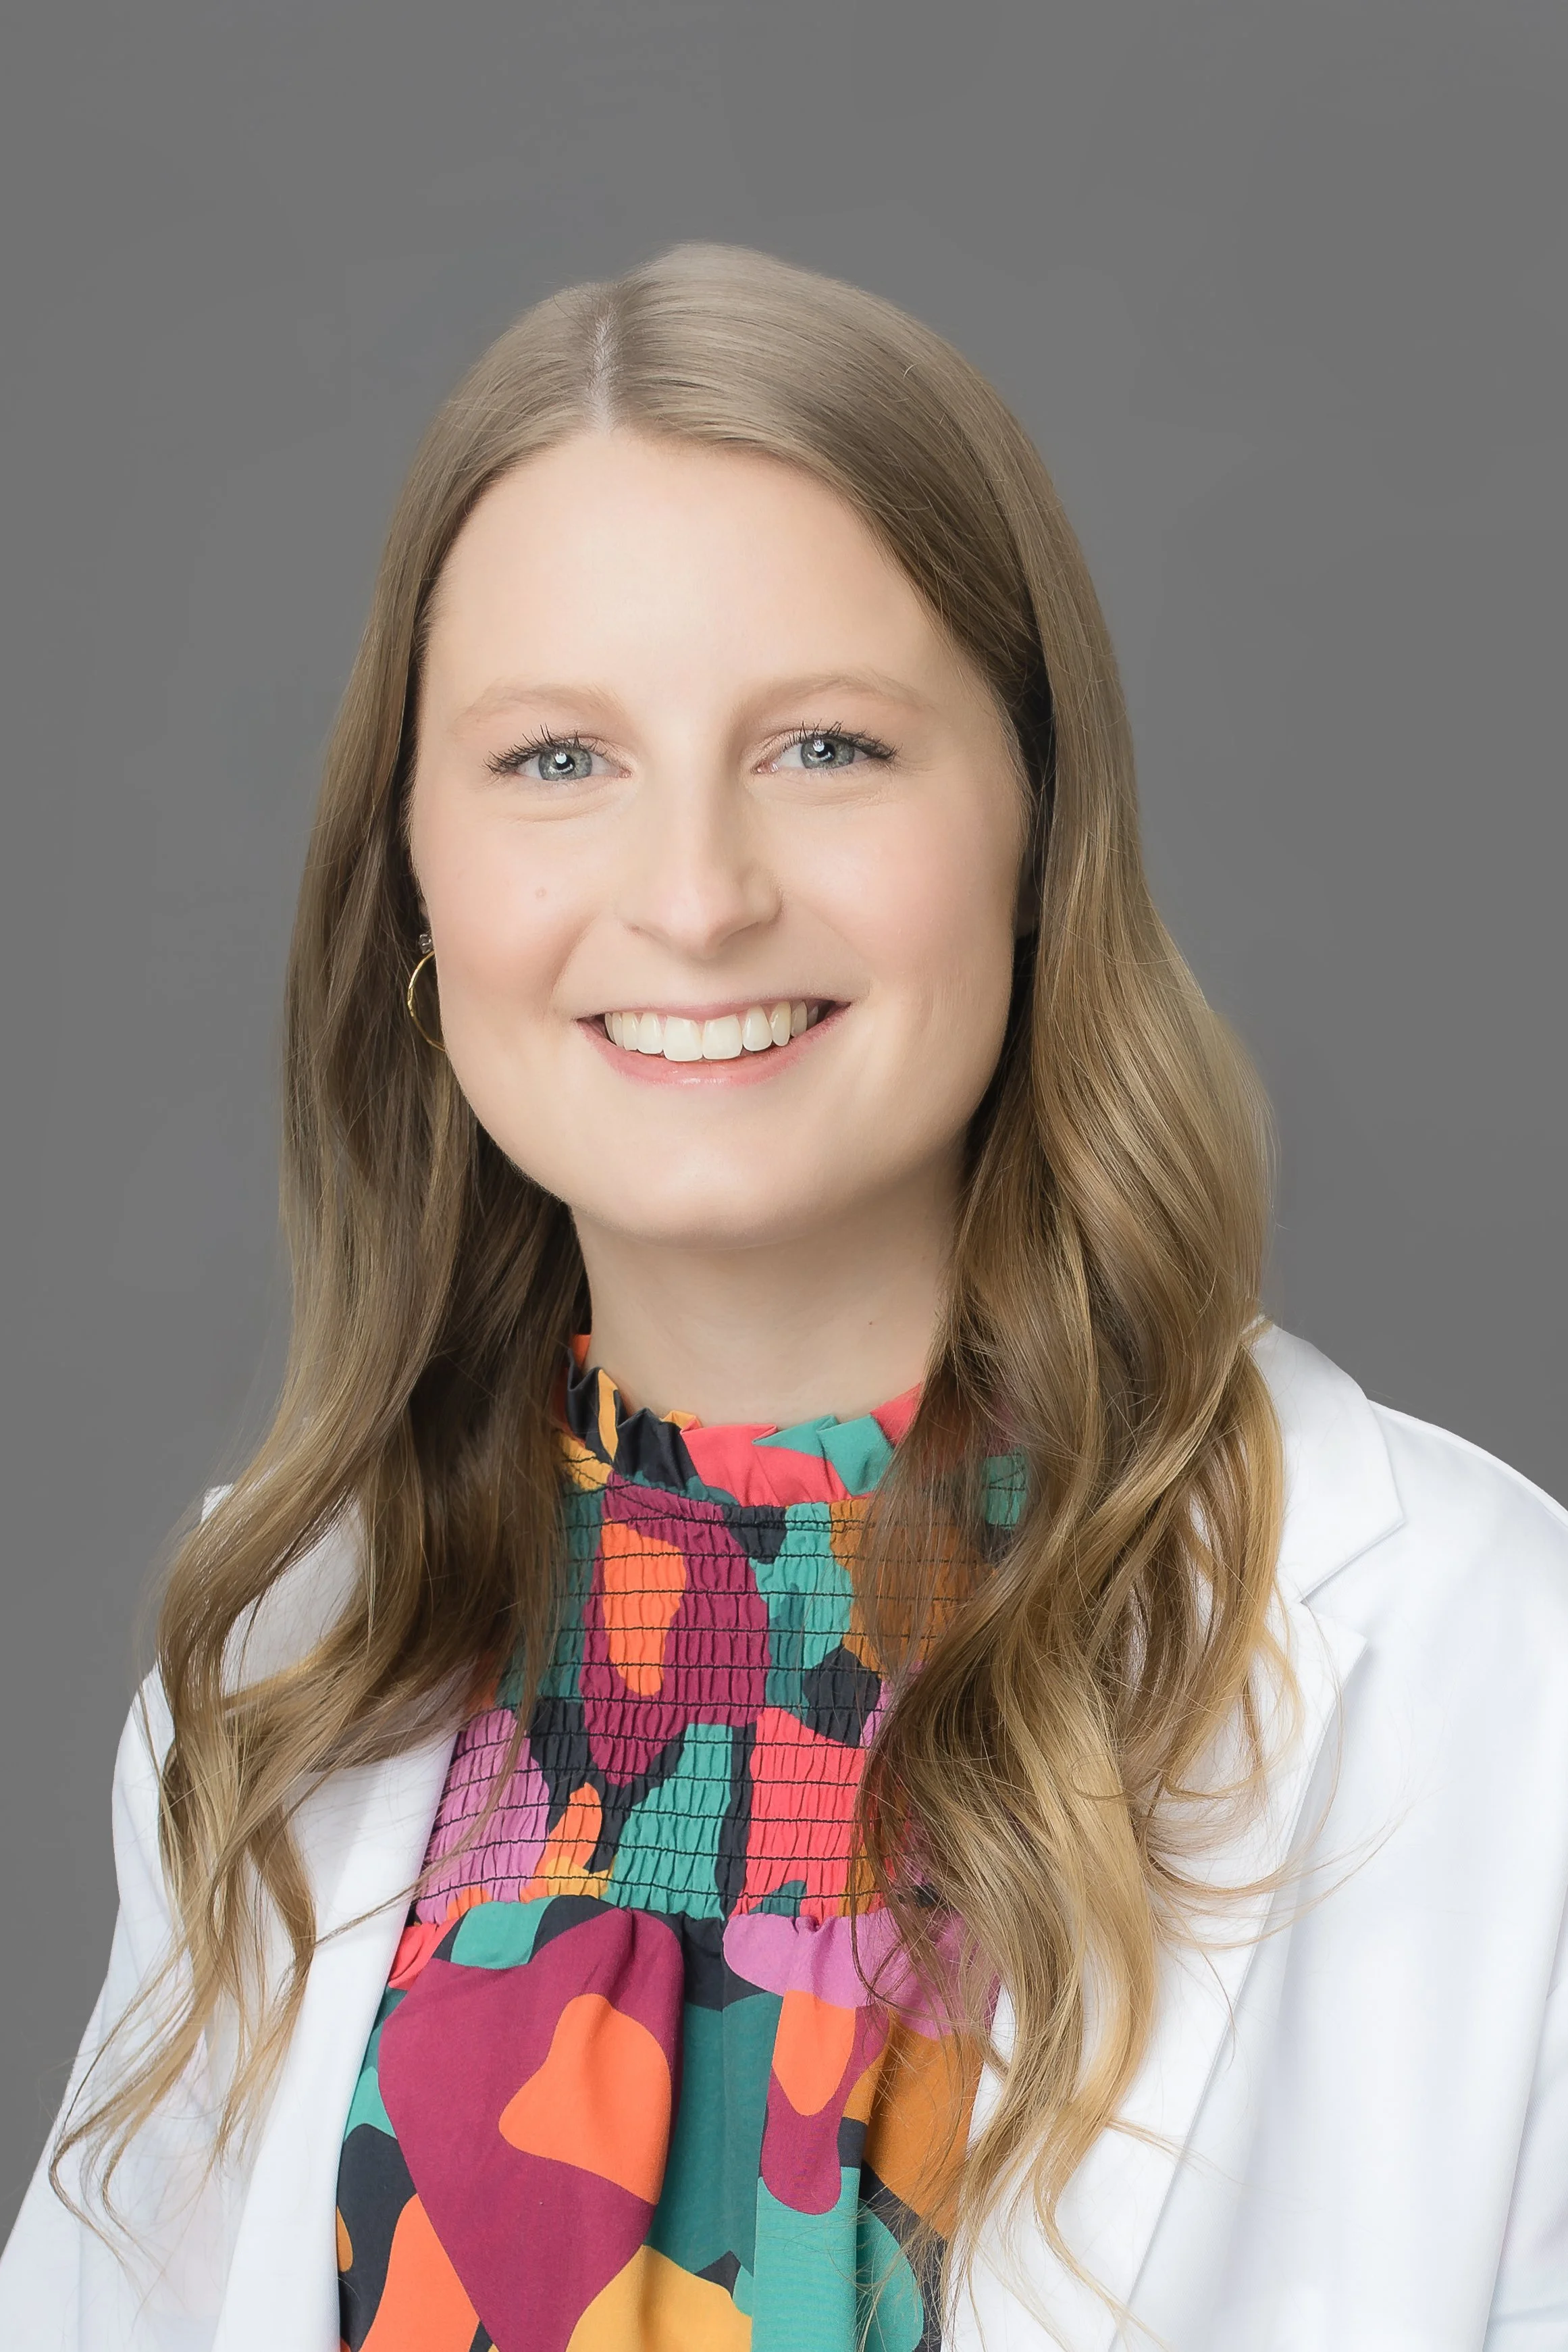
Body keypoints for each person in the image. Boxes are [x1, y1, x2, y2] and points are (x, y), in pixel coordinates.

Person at [2, 242, 1565, 2352]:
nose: (698, 894)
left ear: (1035, 829)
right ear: (418, 882)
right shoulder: (282, 1667)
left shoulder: (1488, 1676)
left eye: (826, 746)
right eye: (559, 759)